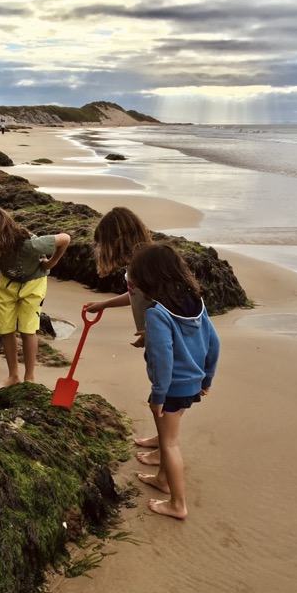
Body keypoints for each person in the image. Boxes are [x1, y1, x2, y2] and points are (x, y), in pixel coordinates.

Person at [128, 242, 220, 519]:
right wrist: (208, 377)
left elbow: (163, 358)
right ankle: (162, 478)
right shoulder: (196, 303)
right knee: (169, 436)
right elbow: (214, 342)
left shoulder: (156, 313)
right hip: (193, 383)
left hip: (172, 388)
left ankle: (177, 503)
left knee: (169, 444)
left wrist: (158, 395)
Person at [0, 205, 70, 391]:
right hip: (8, 284)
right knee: (5, 329)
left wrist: (50, 263)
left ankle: (29, 378)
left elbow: (65, 239)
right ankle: (13, 376)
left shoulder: (31, 244)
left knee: (27, 329)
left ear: (2, 236)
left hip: (33, 284)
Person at [84, 206, 152, 348]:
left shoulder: (145, 265)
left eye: (103, 244)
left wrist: (153, 332)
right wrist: (104, 304)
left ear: (117, 241)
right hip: (157, 336)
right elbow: (137, 294)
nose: (100, 250)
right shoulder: (135, 264)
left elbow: (169, 303)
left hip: (169, 338)